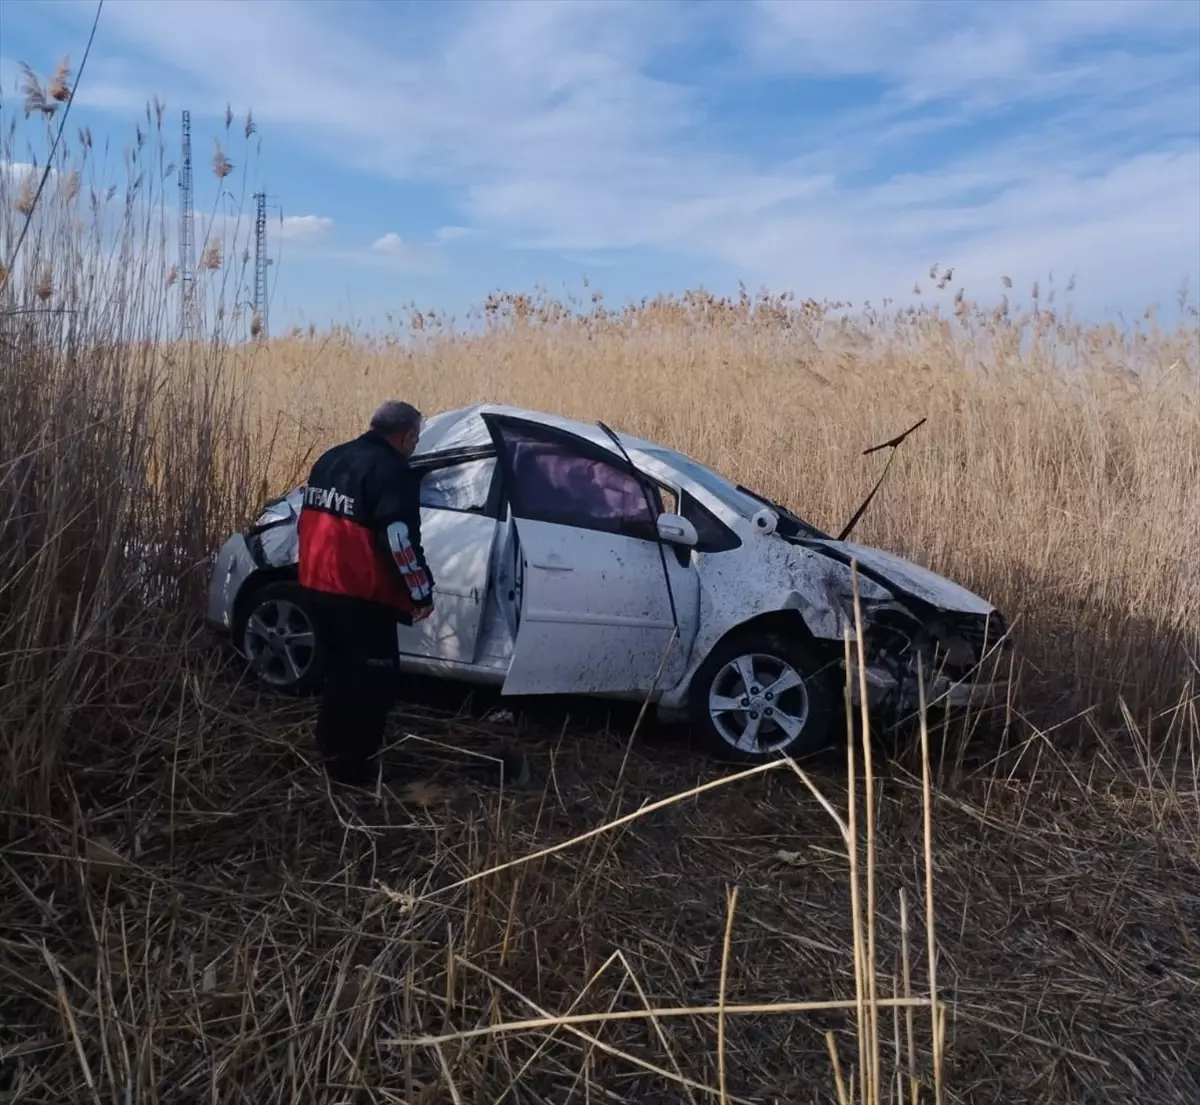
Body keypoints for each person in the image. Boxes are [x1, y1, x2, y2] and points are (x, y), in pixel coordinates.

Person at [297, 400, 436, 787]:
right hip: (359, 598)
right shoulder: (393, 471)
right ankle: (354, 772)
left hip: (315, 585)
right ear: (407, 436)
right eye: (416, 439)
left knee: (340, 676)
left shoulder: (332, 458)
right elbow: (398, 540)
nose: (415, 446)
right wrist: (421, 593)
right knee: (374, 685)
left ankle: (328, 749)